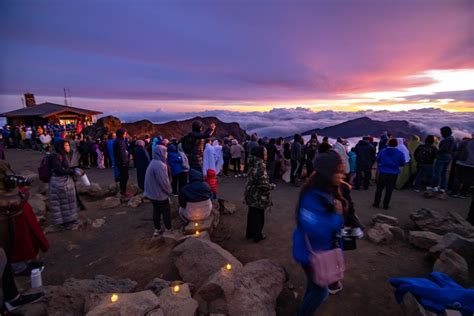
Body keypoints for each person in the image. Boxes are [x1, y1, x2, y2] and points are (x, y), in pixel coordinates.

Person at [292, 150, 346, 315]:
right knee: (320, 292)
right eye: (338, 172)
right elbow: (314, 229)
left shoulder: (326, 191)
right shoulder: (311, 196)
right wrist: (337, 217)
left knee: (313, 286)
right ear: (327, 173)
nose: (342, 176)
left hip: (319, 252)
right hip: (311, 253)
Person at [1, 163, 44, 311]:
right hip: (4, 219)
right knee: (6, 256)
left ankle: (12, 297)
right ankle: (10, 299)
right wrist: (20, 194)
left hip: (9, 217)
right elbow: (10, 199)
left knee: (11, 252)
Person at [245, 146, 274, 243]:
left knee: (252, 214)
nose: (266, 155)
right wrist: (270, 186)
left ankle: (249, 233)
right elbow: (263, 185)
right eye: (265, 153)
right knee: (259, 215)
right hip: (258, 195)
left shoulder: (251, 162)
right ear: (260, 154)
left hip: (250, 193)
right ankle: (257, 235)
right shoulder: (260, 166)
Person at [48, 139, 79, 229]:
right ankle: (65, 222)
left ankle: (71, 219)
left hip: (64, 181)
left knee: (68, 201)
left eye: (68, 145)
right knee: (63, 203)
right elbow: (58, 170)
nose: (68, 147)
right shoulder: (55, 156)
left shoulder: (63, 155)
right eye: (66, 145)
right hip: (59, 183)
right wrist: (71, 171)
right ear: (61, 147)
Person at [144, 145, 172, 237]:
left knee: (156, 210)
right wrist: (169, 191)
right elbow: (163, 182)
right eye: (165, 152)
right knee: (166, 211)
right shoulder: (160, 165)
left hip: (152, 193)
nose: (166, 154)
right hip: (159, 194)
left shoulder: (153, 162)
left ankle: (157, 229)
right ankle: (168, 229)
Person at [373, 138, 406, 209]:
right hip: (393, 173)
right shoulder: (399, 153)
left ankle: (376, 203)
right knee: (389, 189)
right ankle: (386, 204)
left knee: (379, 188)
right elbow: (402, 163)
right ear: (396, 144)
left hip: (383, 172)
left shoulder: (382, 151)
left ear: (388, 143)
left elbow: (378, 159)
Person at [428, 126, 456, 193]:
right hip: (449, 157)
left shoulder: (446, 140)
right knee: (444, 173)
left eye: (442, 132)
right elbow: (455, 149)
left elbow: (443, 149)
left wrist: (437, 151)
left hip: (442, 157)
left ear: (445, 132)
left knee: (437, 173)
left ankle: (434, 186)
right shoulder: (452, 139)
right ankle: (442, 187)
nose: (441, 134)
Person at [114, 129, 130, 200]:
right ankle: (123, 191)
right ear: (121, 134)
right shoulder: (120, 142)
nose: (125, 135)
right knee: (125, 176)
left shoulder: (118, 141)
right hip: (122, 163)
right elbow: (121, 154)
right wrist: (124, 162)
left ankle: (122, 190)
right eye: (124, 134)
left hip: (120, 162)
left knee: (123, 176)